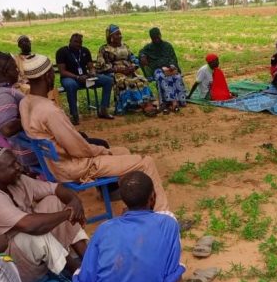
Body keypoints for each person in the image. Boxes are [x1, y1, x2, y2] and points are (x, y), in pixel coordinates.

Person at [17, 54, 172, 213]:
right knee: (146, 162)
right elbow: (78, 149)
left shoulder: (25, 102)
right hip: (74, 166)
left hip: (55, 165)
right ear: (48, 75)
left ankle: (132, 207)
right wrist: (101, 151)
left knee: (123, 152)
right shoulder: (49, 111)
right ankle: (163, 215)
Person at [0, 147, 90, 282]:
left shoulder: (16, 180)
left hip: (18, 250)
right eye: (12, 165)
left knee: (54, 201)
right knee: (35, 234)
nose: (19, 167)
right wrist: (69, 213)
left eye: (16, 162)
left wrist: (74, 202)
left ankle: (88, 263)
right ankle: (79, 275)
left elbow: (55, 188)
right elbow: (31, 226)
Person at [73, 171, 185, 282]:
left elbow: (85, 279)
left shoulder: (104, 229)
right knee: (176, 270)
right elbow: (171, 276)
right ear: (153, 197)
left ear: (124, 201)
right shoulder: (167, 223)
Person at [96, 24, 158, 116]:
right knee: (127, 82)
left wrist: (134, 66)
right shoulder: (104, 49)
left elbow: (133, 58)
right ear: (111, 37)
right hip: (116, 72)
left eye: (120, 34)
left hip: (129, 69)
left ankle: (145, 104)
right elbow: (100, 65)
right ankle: (136, 106)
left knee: (142, 80)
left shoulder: (125, 46)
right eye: (117, 34)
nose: (120, 36)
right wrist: (118, 69)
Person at [56, 33, 115, 125]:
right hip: (70, 78)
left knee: (108, 80)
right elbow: (62, 71)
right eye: (75, 42)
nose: (78, 44)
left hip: (85, 78)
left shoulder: (85, 51)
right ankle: (74, 115)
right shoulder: (62, 52)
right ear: (70, 41)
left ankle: (103, 109)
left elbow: (90, 66)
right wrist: (77, 77)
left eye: (80, 42)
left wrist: (92, 72)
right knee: (71, 85)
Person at [139, 27, 187, 113]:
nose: (157, 40)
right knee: (161, 77)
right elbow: (141, 52)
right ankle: (168, 102)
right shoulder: (148, 48)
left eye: (158, 37)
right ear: (151, 38)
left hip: (169, 68)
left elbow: (173, 58)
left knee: (177, 77)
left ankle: (179, 100)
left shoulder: (167, 46)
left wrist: (172, 66)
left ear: (160, 35)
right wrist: (142, 56)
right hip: (157, 69)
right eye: (154, 38)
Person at [14, 35, 59, 102]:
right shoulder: (16, 60)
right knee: (29, 89)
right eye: (23, 42)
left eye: (27, 41)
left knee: (52, 90)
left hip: (39, 82)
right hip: (24, 84)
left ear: (30, 43)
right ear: (19, 46)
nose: (26, 43)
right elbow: (17, 77)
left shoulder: (38, 58)